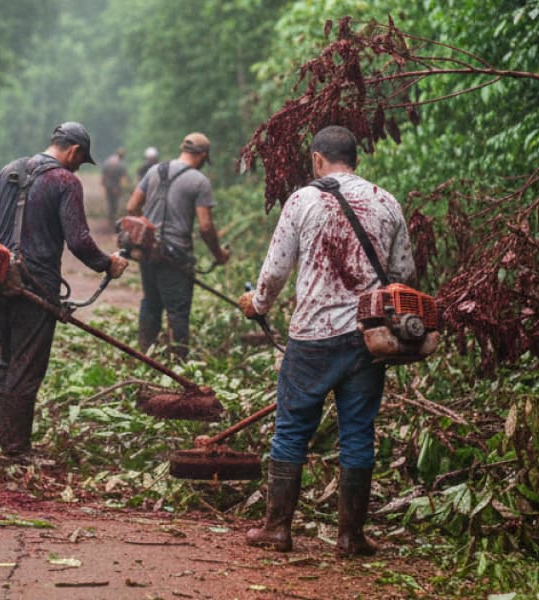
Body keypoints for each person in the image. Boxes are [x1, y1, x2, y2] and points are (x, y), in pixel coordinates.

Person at [237, 125, 415, 556]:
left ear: (318, 159)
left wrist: (256, 304)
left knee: (292, 430)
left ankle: (278, 530)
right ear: (355, 159)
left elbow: (276, 271)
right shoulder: (385, 201)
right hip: (366, 340)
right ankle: (350, 538)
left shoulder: (303, 200)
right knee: (358, 433)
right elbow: (404, 276)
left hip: (312, 337)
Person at [0, 122, 129, 460]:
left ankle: (9, 442)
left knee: (8, 360)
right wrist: (108, 264)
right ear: (74, 151)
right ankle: (16, 450)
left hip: (1, 277)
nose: (77, 166)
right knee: (27, 366)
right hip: (37, 284)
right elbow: (78, 240)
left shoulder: (9, 171)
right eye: (79, 160)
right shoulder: (64, 180)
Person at [125, 132, 229, 359]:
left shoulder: (154, 171)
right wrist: (219, 254)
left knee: (150, 302)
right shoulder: (199, 181)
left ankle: (146, 355)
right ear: (202, 155)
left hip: (148, 251)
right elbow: (205, 227)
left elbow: (132, 206)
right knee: (178, 311)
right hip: (176, 256)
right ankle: (179, 364)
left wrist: (147, 231)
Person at [100, 147, 127, 222]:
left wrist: (103, 185)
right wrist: (125, 188)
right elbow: (123, 177)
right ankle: (113, 216)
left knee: (109, 201)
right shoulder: (121, 163)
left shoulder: (108, 161)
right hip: (116, 186)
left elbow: (103, 174)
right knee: (115, 202)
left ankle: (110, 216)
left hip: (108, 185)